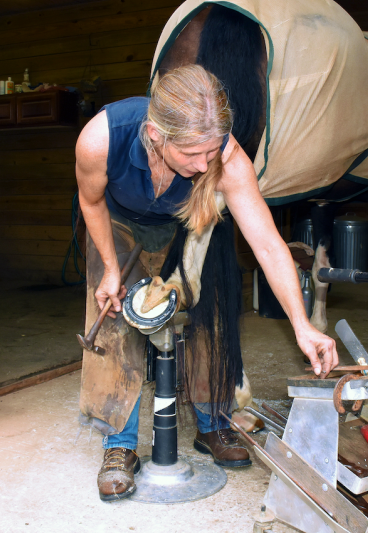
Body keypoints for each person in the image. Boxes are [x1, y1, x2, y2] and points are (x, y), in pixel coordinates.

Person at [75, 64, 338, 501]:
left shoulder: (225, 161)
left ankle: (213, 421)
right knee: (115, 319)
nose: (204, 165)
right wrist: (110, 266)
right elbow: (91, 199)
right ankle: (119, 446)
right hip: (120, 223)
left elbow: (270, 246)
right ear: (157, 135)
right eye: (192, 154)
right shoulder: (101, 139)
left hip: (189, 221)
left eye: (212, 151)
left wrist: (302, 323)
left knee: (208, 311)